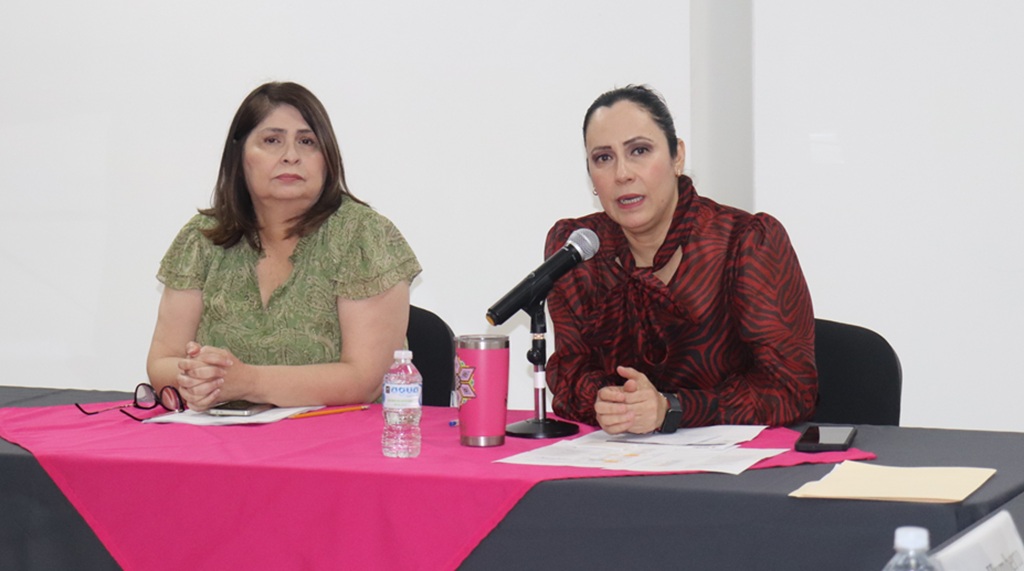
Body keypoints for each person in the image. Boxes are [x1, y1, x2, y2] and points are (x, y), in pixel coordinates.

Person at [545, 85, 816, 434]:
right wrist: (609, 402)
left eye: (639, 150)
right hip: (617, 462)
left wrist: (672, 408)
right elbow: (570, 373)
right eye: (603, 158)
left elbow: (791, 390)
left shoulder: (745, 242)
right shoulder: (578, 252)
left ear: (677, 157)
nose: (622, 173)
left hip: (735, 470)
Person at [146, 82, 421, 411]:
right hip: (220, 440)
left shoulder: (364, 237)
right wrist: (198, 379)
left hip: (337, 443)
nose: (291, 155)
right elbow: (162, 362)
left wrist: (249, 382)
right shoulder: (203, 237)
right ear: (240, 156)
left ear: (327, 158)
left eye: (307, 142)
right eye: (272, 140)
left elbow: (364, 380)